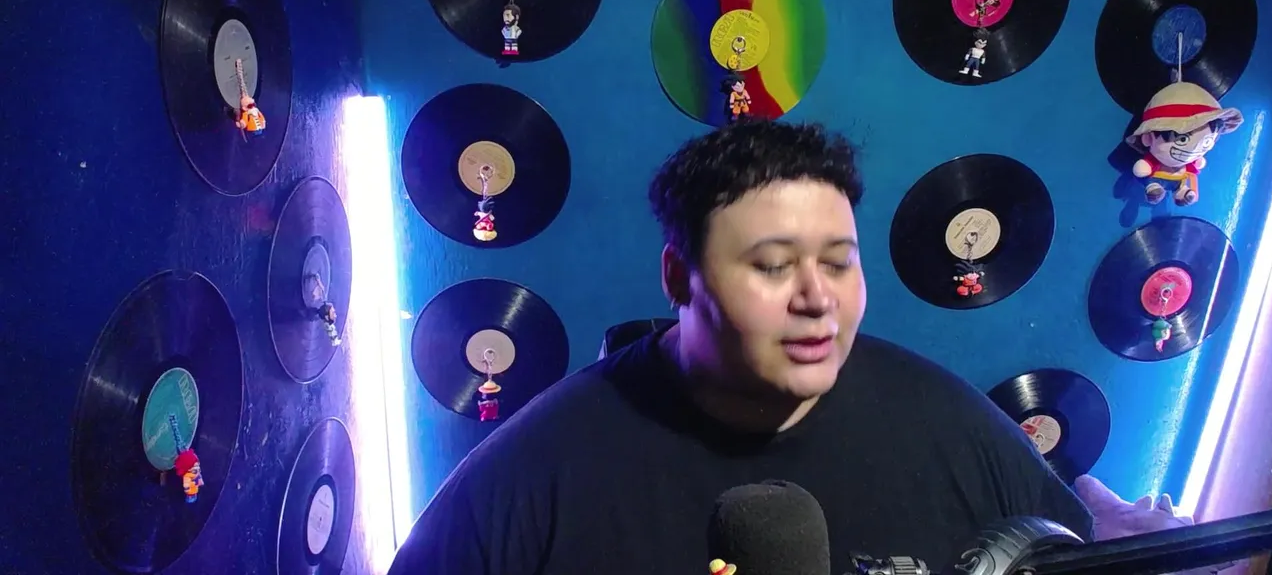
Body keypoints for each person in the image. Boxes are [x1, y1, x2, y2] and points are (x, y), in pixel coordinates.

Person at [389, 118, 1096, 574]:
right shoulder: (534, 474)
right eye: (773, 265)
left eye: (839, 262)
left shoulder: (952, 426)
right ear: (679, 277)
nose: (818, 297)